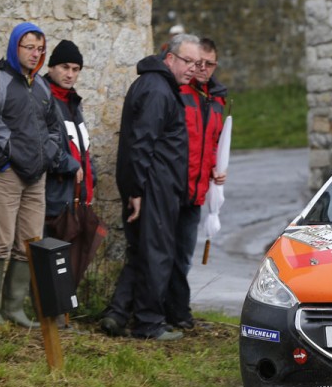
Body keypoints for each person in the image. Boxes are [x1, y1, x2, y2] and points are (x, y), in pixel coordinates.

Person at [0, 22, 78, 327]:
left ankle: (14, 309)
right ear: (15, 46)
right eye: (29, 47)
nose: (35, 53)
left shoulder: (41, 86)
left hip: (36, 177)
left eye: (40, 48)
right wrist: (2, 163)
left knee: (29, 242)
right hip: (5, 175)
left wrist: (49, 157)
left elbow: (54, 128)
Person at [99, 33, 199, 341]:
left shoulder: (157, 86)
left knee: (143, 252)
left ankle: (117, 314)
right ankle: (148, 323)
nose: (193, 68)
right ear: (170, 58)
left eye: (197, 63)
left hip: (156, 184)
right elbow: (141, 144)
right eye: (187, 61)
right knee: (157, 253)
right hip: (155, 185)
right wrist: (138, 192)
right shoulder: (158, 90)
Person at [165, 37, 228, 330]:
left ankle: (178, 310)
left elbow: (213, 141)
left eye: (209, 63)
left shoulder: (217, 99)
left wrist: (218, 167)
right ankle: (170, 310)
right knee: (166, 252)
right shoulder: (178, 91)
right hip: (173, 185)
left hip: (198, 190)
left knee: (185, 255)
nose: (202, 69)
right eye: (197, 62)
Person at [43, 40, 95, 329]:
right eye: (65, 67)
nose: (70, 74)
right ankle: (51, 318)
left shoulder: (73, 102)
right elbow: (44, 144)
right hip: (54, 194)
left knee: (70, 257)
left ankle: (62, 316)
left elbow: (83, 147)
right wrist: (68, 165)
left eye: (76, 69)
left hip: (76, 196)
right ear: (52, 67)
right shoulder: (44, 97)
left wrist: (92, 178)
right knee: (53, 257)